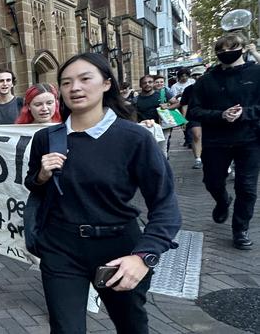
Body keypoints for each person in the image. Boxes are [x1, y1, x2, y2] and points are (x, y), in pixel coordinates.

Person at [25, 53, 181, 333]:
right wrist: (42, 175)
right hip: (60, 248)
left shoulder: (134, 138)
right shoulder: (46, 138)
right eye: (66, 82)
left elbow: (166, 206)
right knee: (65, 328)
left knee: (131, 325)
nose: (75, 88)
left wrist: (143, 256)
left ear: (106, 84)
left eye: (85, 79)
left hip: (119, 248)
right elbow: (34, 186)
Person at [188, 32, 260, 250]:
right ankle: (222, 201)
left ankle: (240, 229)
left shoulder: (256, 73)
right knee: (213, 182)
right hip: (216, 140)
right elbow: (194, 110)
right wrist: (220, 115)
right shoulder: (206, 80)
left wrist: (244, 113)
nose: (227, 53)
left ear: (243, 48)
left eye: (232, 48)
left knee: (246, 187)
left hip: (250, 138)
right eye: (221, 50)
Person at [135, 75, 173, 158]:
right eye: (144, 83)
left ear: (153, 84)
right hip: (145, 127)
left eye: (150, 82)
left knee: (162, 151)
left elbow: (177, 103)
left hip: (163, 126)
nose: (147, 84)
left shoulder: (162, 95)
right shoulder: (136, 99)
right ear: (140, 85)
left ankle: (163, 169)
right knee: (147, 152)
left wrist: (168, 106)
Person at [179, 66, 206, 169]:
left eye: (200, 74)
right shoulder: (189, 89)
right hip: (194, 115)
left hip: (211, 115)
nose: (198, 76)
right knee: (196, 135)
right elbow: (184, 104)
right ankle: (198, 159)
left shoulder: (212, 87)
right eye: (195, 75)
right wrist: (184, 119)